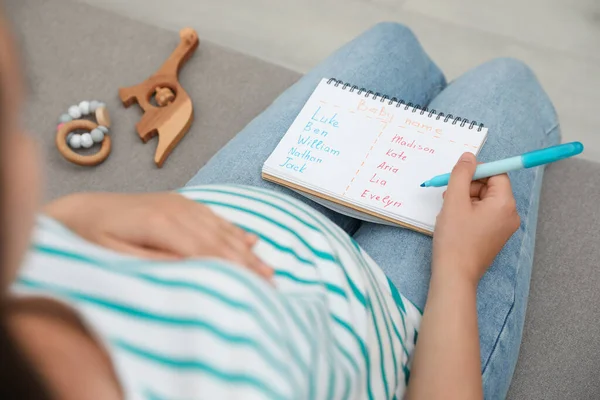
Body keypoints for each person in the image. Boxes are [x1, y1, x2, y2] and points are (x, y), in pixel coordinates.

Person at [0, 16, 559, 400]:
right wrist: (458, 271)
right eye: (11, 117)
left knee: (394, 44)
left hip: (237, 208)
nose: (26, 144)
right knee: (506, 81)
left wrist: (77, 216)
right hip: (400, 323)